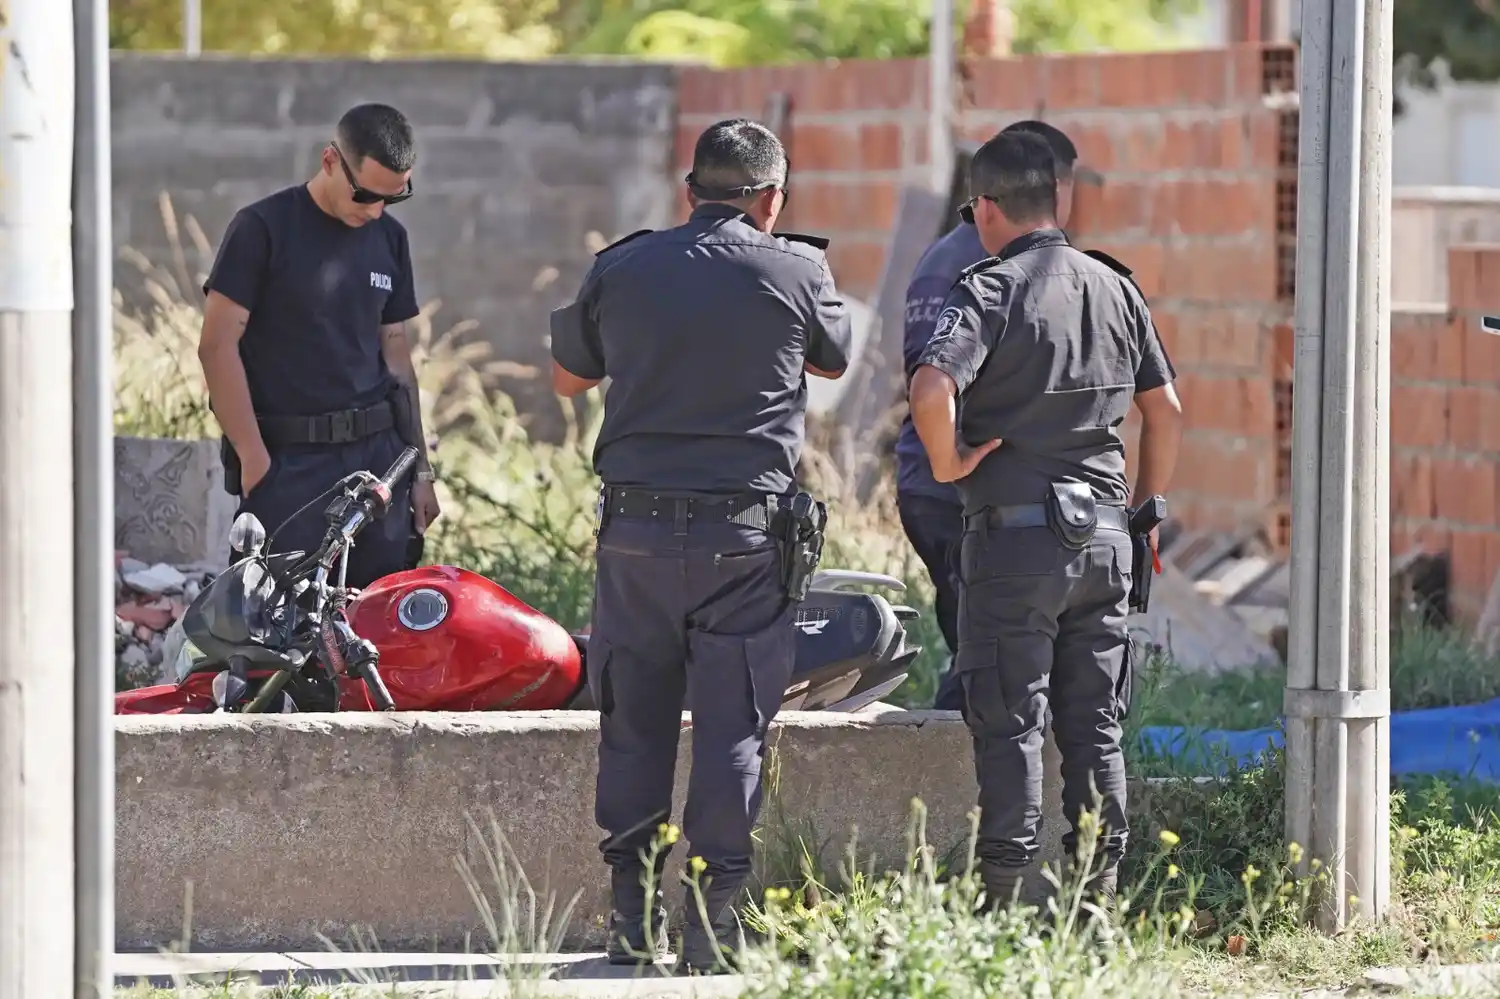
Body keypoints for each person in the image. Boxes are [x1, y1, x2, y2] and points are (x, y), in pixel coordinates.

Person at [549, 118, 851, 974]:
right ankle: (714, 925)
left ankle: (631, 918)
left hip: (636, 536)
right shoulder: (796, 267)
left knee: (634, 717)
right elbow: (833, 364)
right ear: (771, 198)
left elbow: (569, 375)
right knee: (732, 727)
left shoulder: (623, 264)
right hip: (743, 541)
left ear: (689, 191)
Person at [907, 130, 1183, 909]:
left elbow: (933, 392)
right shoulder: (1116, 287)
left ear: (987, 208)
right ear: (1055, 199)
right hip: (1104, 540)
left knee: (1011, 722)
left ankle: (1000, 901)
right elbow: (1167, 413)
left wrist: (947, 462)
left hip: (1016, 543)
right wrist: (1144, 515)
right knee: (1096, 728)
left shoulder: (987, 290)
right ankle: (1100, 901)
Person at [198, 103, 442, 585]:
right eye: (365, 195)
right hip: (290, 465)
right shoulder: (262, 229)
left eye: (392, 199)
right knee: (276, 631)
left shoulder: (389, 239)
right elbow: (216, 346)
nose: (375, 211)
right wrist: (253, 456)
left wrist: (420, 471)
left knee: (377, 626)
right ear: (330, 160)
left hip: (377, 464)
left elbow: (397, 359)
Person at [896, 120, 1082, 712]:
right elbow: (932, 385)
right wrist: (953, 463)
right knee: (989, 658)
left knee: (989, 653)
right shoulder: (983, 266)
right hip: (956, 489)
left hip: (953, 485)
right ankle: (932, 779)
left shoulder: (967, 256)